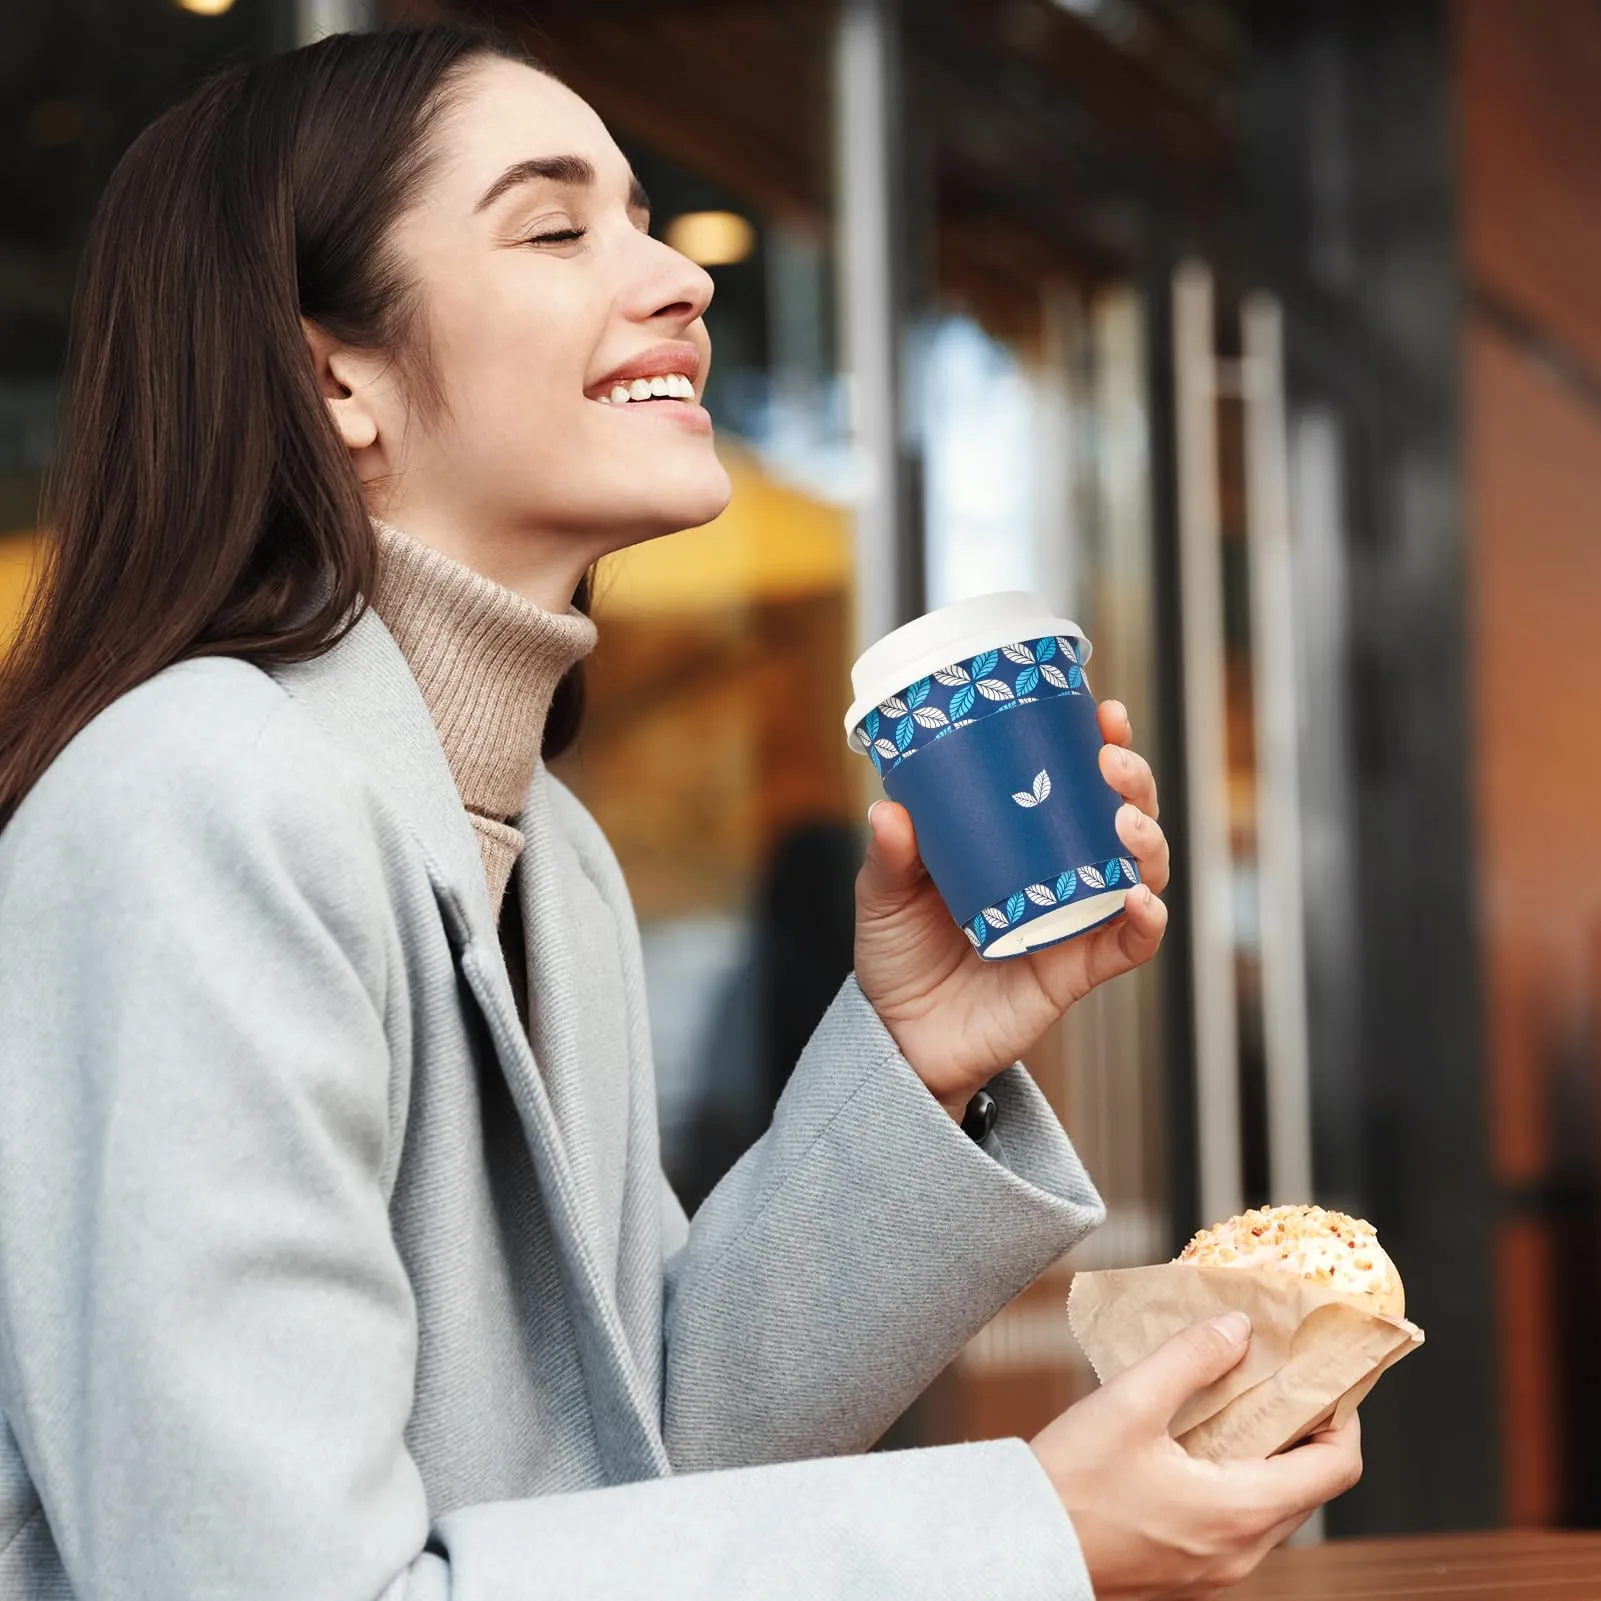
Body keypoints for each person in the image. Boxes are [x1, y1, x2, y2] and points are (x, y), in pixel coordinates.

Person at [0, 24, 1361, 1601]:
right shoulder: (195, 797)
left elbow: (644, 1451)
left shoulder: (547, 851)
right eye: (557, 225)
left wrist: (920, 1052)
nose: (676, 276)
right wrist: (1018, 1539)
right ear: (334, 375)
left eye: (644, 216)